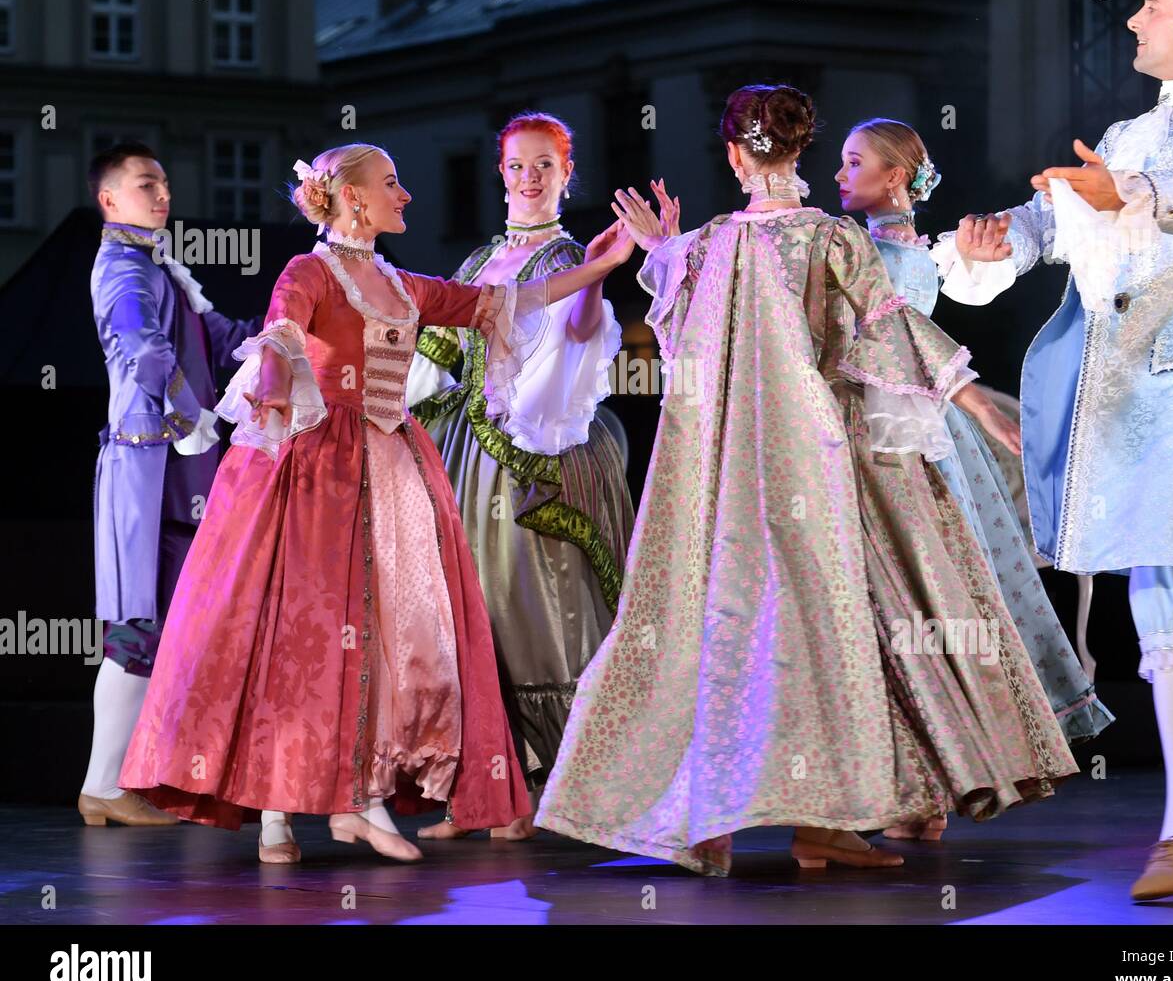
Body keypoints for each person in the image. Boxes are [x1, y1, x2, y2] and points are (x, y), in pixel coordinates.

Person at [534, 85, 1078, 877]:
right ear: (803, 154)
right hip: (819, 467)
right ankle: (814, 821)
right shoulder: (825, 237)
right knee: (832, 633)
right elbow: (890, 329)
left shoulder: (712, 244)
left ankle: (727, 815)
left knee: (719, 621)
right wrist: (979, 404)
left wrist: (661, 250)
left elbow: (686, 329)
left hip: (723, 476)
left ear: (732, 155)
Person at [119, 143, 635, 863]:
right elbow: (284, 329)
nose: (407, 196)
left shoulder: (398, 283)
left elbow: (504, 304)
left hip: (393, 469)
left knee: (396, 635)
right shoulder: (312, 270)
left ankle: (359, 801)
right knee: (302, 636)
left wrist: (605, 264)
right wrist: (274, 372)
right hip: (319, 474)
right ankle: (276, 813)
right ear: (355, 199)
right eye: (392, 184)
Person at [940, 0, 1173, 899]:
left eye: (1150, 6)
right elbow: (1054, 224)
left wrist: (1127, 193)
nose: (1133, 20)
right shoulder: (1128, 136)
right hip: (1120, 398)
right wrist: (995, 242)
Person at [834, 119, 1115, 768]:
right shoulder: (898, 249)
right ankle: (931, 764)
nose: (840, 175)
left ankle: (930, 763)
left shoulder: (880, 254)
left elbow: (900, 340)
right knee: (926, 588)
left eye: (853, 162)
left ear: (894, 175)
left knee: (915, 586)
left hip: (896, 421)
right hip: (914, 413)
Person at [406, 113, 634, 841]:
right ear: (500, 174)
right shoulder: (479, 262)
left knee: (533, 610)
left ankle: (555, 785)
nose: (529, 178)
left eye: (544, 165)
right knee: (466, 616)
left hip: (536, 454)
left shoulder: (569, 255)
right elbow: (439, 345)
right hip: (463, 453)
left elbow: (576, 338)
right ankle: (482, 792)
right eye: (516, 166)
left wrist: (600, 274)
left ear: (568, 174)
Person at [81, 142, 258, 828]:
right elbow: (145, 350)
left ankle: (134, 779)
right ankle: (104, 784)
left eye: (164, 183)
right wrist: (193, 417)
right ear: (109, 199)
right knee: (137, 626)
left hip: (175, 465)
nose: (162, 195)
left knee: (171, 625)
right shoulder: (123, 265)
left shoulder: (161, 267)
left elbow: (223, 338)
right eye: (145, 184)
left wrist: (294, 324)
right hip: (146, 465)